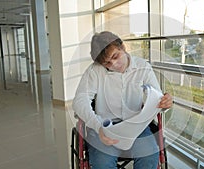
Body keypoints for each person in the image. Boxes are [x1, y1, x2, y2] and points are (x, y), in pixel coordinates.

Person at [72, 31, 173, 169]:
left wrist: (165, 103)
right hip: (105, 127)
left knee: (149, 157)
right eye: (107, 63)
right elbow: (79, 101)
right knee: (102, 164)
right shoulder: (95, 70)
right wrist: (98, 126)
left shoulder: (142, 67)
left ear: (123, 48)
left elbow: (158, 99)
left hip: (136, 126)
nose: (113, 64)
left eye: (115, 56)